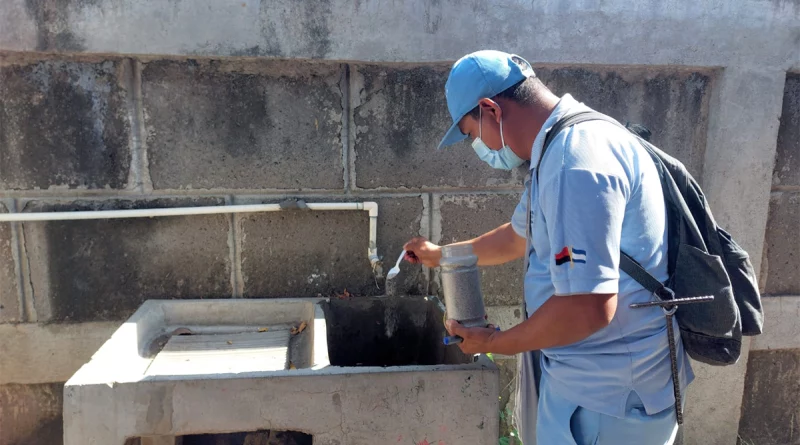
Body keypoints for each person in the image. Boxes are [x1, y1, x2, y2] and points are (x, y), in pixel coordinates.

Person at [403, 50, 693, 445]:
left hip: (607, 402)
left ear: (491, 109)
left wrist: (494, 343)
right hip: (594, 384)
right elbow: (518, 236)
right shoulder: (565, 143)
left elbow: (587, 307)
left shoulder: (575, 163)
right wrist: (443, 255)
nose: (479, 147)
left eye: (472, 134)